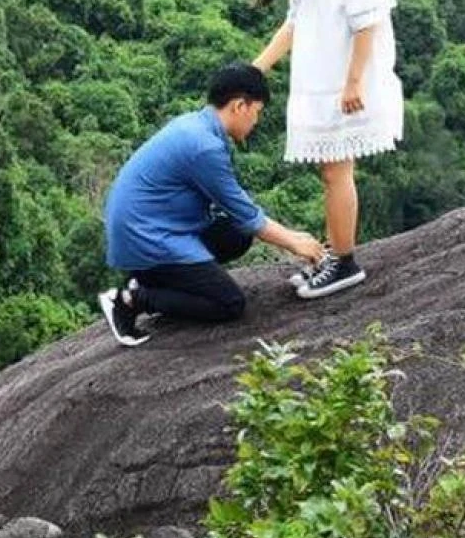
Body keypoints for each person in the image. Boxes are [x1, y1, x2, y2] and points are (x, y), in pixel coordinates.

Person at [97, 64, 325, 347]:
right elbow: (246, 214)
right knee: (229, 304)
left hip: (155, 228)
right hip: (148, 239)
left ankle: (156, 281)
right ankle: (130, 300)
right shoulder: (203, 146)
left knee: (237, 235)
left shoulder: (197, 126)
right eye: (257, 111)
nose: (256, 121)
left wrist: (293, 236)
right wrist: (294, 243)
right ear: (239, 106)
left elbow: (239, 212)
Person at [250, 0, 404, 299]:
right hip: (323, 83)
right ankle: (337, 255)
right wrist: (256, 68)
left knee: (337, 172)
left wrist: (353, 83)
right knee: (331, 173)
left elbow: (368, 25)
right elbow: (293, 26)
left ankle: (345, 261)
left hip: (346, 85)